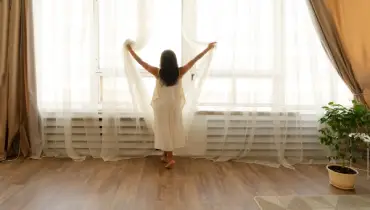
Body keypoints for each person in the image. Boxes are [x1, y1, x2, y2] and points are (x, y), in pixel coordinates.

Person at [126, 42, 216, 168]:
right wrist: (207, 49)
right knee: (171, 129)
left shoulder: (158, 72)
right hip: (174, 105)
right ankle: (165, 155)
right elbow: (194, 60)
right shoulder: (180, 72)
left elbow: (141, 62)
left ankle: (170, 158)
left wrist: (130, 50)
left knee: (164, 129)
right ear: (174, 61)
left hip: (161, 106)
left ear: (162, 61)